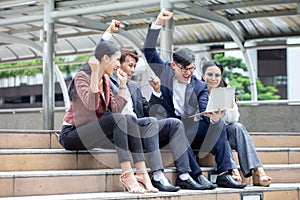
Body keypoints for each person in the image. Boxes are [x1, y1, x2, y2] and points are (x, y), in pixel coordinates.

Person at [99, 20, 216, 191]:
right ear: (116, 64)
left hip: (141, 129)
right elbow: (98, 55)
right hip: (119, 131)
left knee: (174, 123)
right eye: (129, 65)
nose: (132, 70)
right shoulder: (107, 81)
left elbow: (148, 112)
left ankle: (184, 175)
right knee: (152, 123)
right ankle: (158, 176)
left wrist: (157, 92)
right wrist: (108, 32)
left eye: (134, 66)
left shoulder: (134, 87)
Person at [143, 10, 247, 188]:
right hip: (169, 129)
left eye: (191, 68)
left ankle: (224, 173)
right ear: (174, 65)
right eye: (184, 69)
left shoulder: (198, 85)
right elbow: (149, 50)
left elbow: (204, 106)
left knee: (218, 124)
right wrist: (158, 22)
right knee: (179, 128)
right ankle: (197, 175)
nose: (188, 73)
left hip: (191, 129)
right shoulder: (165, 72)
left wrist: (213, 117)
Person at [58, 40, 158, 194]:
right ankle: (127, 175)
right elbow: (91, 105)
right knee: (117, 119)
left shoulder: (105, 80)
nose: (119, 64)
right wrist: (94, 77)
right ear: (105, 59)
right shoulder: (81, 77)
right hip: (72, 134)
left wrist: (123, 85)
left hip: (92, 132)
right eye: (117, 59)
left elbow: (116, 109)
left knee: (129, 119)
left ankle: (142, 174)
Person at [201, 60, 272, 187]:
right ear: (203, 75)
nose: (213, 78)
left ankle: (258, 170)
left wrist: (231, 104)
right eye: (209, 75)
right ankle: (232, 170)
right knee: (220, 127)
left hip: (223, 133)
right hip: (205, 136)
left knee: (238, 127)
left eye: (217, 75)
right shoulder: (199, 90)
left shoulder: (225, 91)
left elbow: (233, 120)